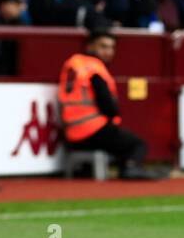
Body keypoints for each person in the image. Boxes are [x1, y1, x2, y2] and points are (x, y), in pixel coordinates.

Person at [58, 29, 162, 178]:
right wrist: (114, 115)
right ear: (91, 46)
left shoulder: (73, 64)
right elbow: (107, 104)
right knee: (138, 144)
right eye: (104, 46)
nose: (109, 52)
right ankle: (130, 168)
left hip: (70, 133)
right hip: (92, 130)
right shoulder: (93, 68)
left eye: (111, 47)